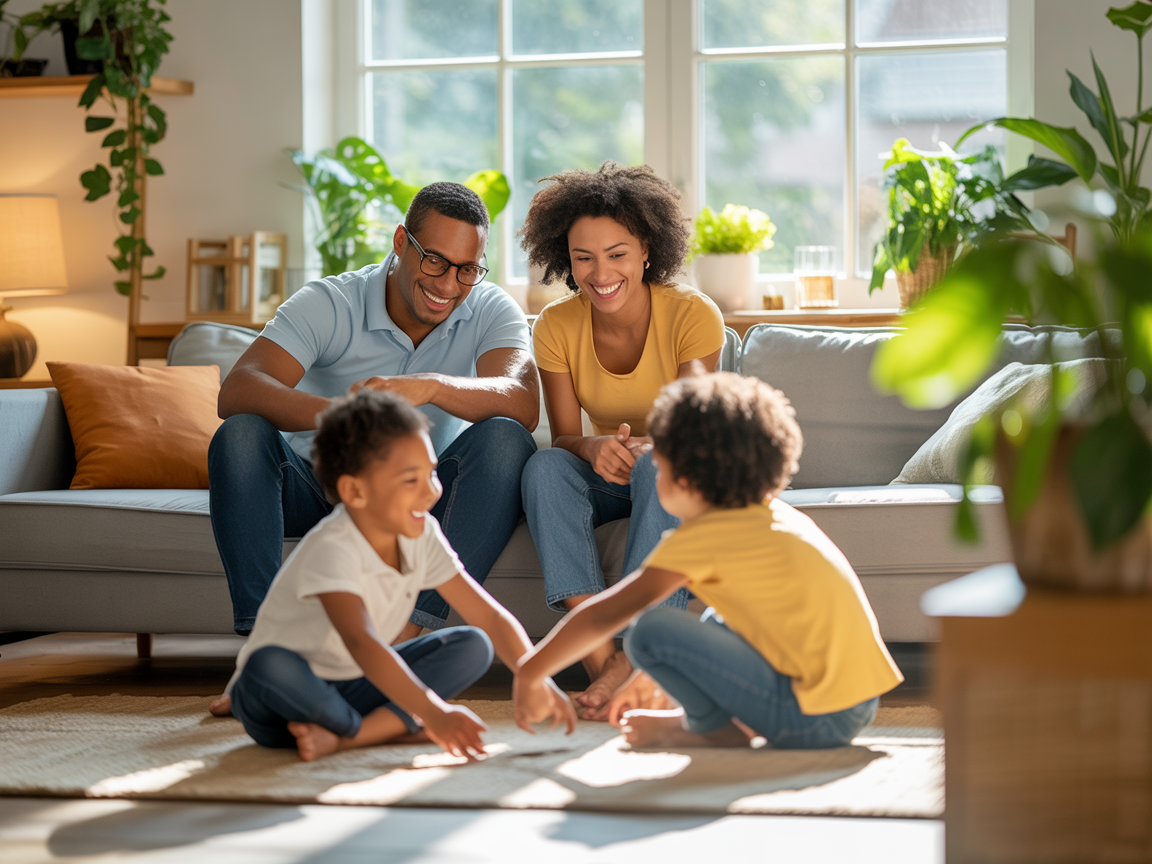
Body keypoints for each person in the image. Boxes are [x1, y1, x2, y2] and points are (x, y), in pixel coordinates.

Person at [208, 182, 537, 642]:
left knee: (506, 437)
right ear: (401, 242)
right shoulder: (330, 302)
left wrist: (432, 386)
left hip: (420, 501)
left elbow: (521, 400)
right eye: (436, 261)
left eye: (466, 270)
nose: (447, 285)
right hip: (319, 490)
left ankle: (408, 634)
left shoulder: (490, 308)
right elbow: (238, 389)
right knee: (240, 433)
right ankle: (266, 649)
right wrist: (345, 418)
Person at [513, 373, 904, 749]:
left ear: (683, 480)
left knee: (650, 629)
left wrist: (530, 673)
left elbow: (604, 615)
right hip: (855, 706)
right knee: (719, 619)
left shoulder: (705, 536)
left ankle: (711, 727)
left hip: (812, 718)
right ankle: (715, 728)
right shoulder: (775, 516)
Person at [227, 389, 574, 761]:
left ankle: (350, 736)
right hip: (288, 699)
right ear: (355, 491)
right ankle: (373, 729)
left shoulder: (422, 532)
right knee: (268, 665)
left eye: (432, 474)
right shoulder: (333, 546)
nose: (431, 493)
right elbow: (363, 644)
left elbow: (487, 614)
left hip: (356, 686)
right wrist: (432, 711)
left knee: (472, 644)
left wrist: (534, 673)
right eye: (411, 480)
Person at [517, 162, 725, 720]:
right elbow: (563, 436)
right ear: (566, 259)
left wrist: (647, 451)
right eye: (583, 257)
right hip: (610, 472)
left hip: (678, 473)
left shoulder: (693, 314)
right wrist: (592, 448)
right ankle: (603, 660)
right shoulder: (555, 326)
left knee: (659, 463)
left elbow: (692, 430)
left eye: (617, 254)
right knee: (542, 469)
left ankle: (636, 656)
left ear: (647, 251)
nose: (600, 272)